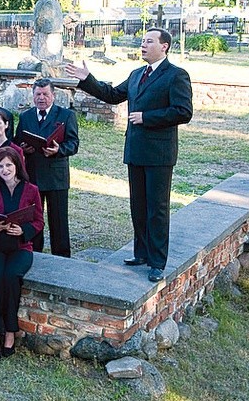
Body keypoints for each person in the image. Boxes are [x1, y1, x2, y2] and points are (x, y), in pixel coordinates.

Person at [66, 28, 193, 282]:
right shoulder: (137, 75)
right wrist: (87, 78)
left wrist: (147, 118)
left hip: (159, 153)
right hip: (135, 150)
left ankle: (157, 262)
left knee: (157, 208)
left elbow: (183, 111)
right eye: (142, 41)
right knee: (138, 206)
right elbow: (113, 96)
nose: (143, 45)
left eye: (149, 41)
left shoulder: (176, 75)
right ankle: (141, 253)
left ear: (164, 46)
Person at [0, 147, 43, 362]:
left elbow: (39, 221)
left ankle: (10, 330)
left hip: (20, 248)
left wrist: (24, 231)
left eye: (9, 165)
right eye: (0, 166)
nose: (5, 169)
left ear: (17, 165)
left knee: (12, 277)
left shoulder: (31, 189)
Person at [15, 79, 79, 258]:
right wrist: (23, 148)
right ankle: (35, 253)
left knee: (58, 220)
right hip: (33, 174)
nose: (41, 98)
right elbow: (18, 140)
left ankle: (62, 257)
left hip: (56, 176)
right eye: (38, 94)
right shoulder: (25, 116)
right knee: (34, 218)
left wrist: (59, 150)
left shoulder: (66, 116)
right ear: (32, 96)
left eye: (45, 94)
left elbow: (73, 143)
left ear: (53, 96)